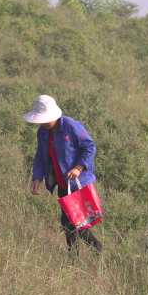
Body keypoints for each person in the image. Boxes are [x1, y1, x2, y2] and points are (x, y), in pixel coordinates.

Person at [24, 95, 103, 254]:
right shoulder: (43, 132)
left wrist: (79, 167)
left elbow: (89, 147)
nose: (43, 123)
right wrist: (37, 178)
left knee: (74, 222)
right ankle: (81, 254)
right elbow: (40, 155)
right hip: (61, 184)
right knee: (71, 223)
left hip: (77, 182)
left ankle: (94, 250)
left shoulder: (70, 126)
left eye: (45, 119)